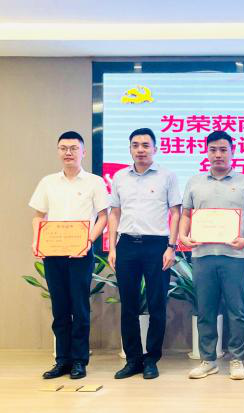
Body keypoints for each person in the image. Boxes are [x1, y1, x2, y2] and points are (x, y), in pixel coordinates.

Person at [29, 131, 109, 380]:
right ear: (58, 151)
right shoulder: (48, 182)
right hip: (53, 253)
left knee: (80, 307)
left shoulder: (95, 182)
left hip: (81, 253)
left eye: (74, 148)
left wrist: (88, 241)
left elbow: (103, 217)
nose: (68, 152)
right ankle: (62, 360)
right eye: (63, 148)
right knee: (60, 308)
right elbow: (38, 216)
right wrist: (37, 239)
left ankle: (79, 361)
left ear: (83, 152)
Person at [181, 131, 244, 380]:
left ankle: (236, 359)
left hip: (235, 256)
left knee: (238, 311)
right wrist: (182, 235)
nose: (218, 154)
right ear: (206, 152)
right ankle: (208, 360)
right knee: (206, 310)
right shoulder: (194, 182)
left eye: (223, 150)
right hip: (202, 256)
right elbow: (186, 214)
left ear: (232, 152)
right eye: (213, 149)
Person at [108, 128, 181, 380]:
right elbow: (114, 213)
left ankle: (151, 359)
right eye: (135, 145)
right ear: (130, 148)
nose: (140, 150)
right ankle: (133, 360)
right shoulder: (119, 177)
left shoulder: (167, 176)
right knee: (128, 305)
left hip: (157, 246)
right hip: (127, 245)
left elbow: (176, 213)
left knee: (156, 304)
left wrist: (171, 246)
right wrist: (112, 247)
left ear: (155, 148)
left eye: (145, 145)